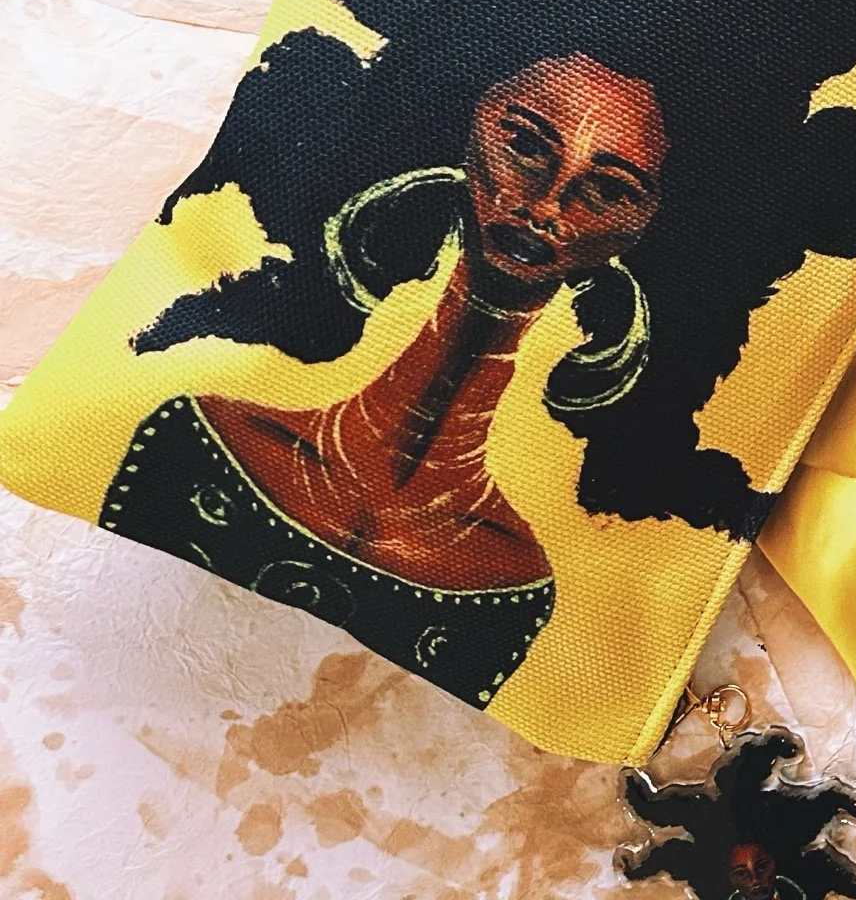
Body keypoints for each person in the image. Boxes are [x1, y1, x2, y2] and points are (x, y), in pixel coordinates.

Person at [101, 50, 666, 706]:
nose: (546, 206)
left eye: (608, 190)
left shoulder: (518, 585)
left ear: (646, 227)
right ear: (467, 128)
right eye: (525, 145)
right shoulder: (197, 437)